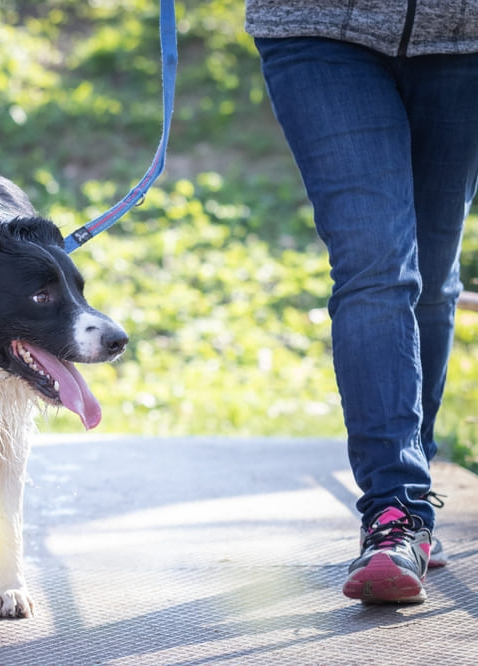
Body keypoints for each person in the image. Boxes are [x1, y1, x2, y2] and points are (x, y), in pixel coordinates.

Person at [244, 2, 478, 603]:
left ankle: (414, 481)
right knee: (377, 263)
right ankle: (395, 513)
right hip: (320, 28)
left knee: (431, 277)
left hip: (465, 38)